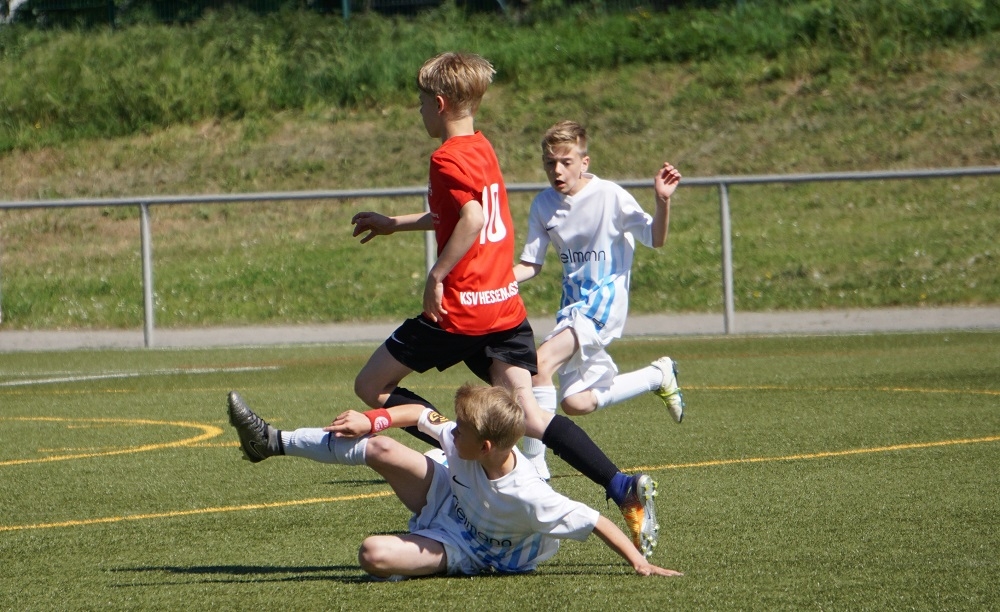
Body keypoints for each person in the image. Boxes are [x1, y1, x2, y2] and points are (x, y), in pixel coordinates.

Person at [348, 53, 660, 557]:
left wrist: (436, 275)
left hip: (462, 308)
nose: (419, 110)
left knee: (371, 385)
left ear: (440, 103)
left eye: (421, 102)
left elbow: (471, 219)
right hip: (504, 307)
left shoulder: (444, 158)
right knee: (528, 414)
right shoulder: (482, 147)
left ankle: (456, 443)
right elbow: (457, 213)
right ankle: (619, 483)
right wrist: (394, 224)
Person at [226, 387, 683, 579]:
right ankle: (271, 441)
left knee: (373, 554)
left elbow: (596, 520)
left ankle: (426, 548)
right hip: (449, 494)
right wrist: (373, 419)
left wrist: (640, 564)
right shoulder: (465, 443)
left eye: (460, 430)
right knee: (381, 447)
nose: (451, 430)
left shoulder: (530, 495)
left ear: (485, 447)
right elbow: (418, 415)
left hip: (476, 549)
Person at [513, 120, 686, 479]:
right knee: (576, 402)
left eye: (566, 162)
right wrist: (491, 282)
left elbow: (655, 238)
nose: (557, 171)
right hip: (571, 309)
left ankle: (534, 466)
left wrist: (662, 201)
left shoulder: (610, 196)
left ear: (584, 162)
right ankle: (657, 375)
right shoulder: (543, 205)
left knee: (539, 364)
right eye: (550, 163)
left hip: (604, 305)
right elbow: (531, 265)